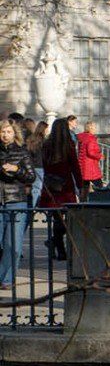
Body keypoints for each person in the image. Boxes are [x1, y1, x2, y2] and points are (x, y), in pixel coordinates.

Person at [36, 117, 81, 262]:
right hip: (65, 187)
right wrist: (80, 185)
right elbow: (75, 166)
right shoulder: (68, 145)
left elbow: (44, 164)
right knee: (66, 219)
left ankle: (58, 247)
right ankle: (58, 245)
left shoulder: (47, 145)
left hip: (51, 186)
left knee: (58, 219)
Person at [0, 120, 32, 287]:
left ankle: (6, 279)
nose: (5, 135)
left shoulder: (22, 153)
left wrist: (16, 170)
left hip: (16, 202)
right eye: (3, 132)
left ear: (15, 134)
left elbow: (31, 176)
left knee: (13, 245)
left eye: (9, 132)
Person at [75, 118, 103, 200]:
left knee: (84, 187)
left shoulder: (82, 138)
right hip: (91, 167)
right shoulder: (91, 138)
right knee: (99, 186)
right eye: (94, 127)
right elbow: (90, 152)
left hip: (83, 165)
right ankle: (101, 202)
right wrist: (99, 156)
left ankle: (82, 205)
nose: (95, 129)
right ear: (90, 128)